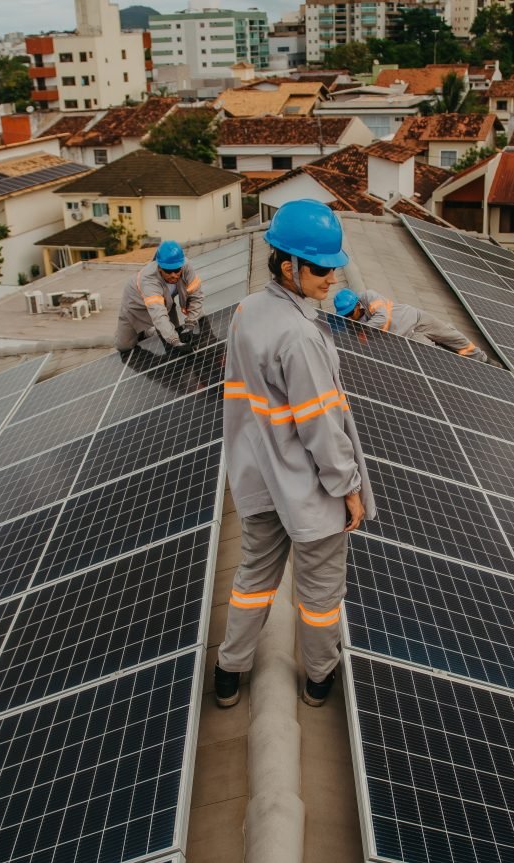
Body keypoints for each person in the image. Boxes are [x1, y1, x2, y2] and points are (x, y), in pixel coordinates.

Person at [215, 199, 376, 709]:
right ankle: (318, 678)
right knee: (321, 597)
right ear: (290, 266)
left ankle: (228, 670)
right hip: (310, 490)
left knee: (252, 581)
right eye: (323, 267)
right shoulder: (302, 336)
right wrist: (349, 489)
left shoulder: (246, 311)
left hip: (257, 480)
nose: (332, 277)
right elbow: (323, 430)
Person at [333, 288, 489, 362]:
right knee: (438, 356)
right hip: (407, 338)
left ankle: (483, 359)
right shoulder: (352, 327)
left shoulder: (368, 297)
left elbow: (381, 317)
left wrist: (362, 329)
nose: (349, 318)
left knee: (452, 337)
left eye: (349, 313)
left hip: (416, 318)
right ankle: (469, 367)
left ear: (357, 305)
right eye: (345, 316)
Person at [115, 240, 206, 355]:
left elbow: (196, 296)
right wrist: (175, 341)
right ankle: (145, 332)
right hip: (136, 306)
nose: (173, 274)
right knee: (124, 346)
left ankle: (159, 331)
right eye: (168, 270)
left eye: (177, 270)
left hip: (165, 303)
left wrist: (190, 325)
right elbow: (158, 313)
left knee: (175, 332)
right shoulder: (148, 279)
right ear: (159, 267)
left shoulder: (185, 266)